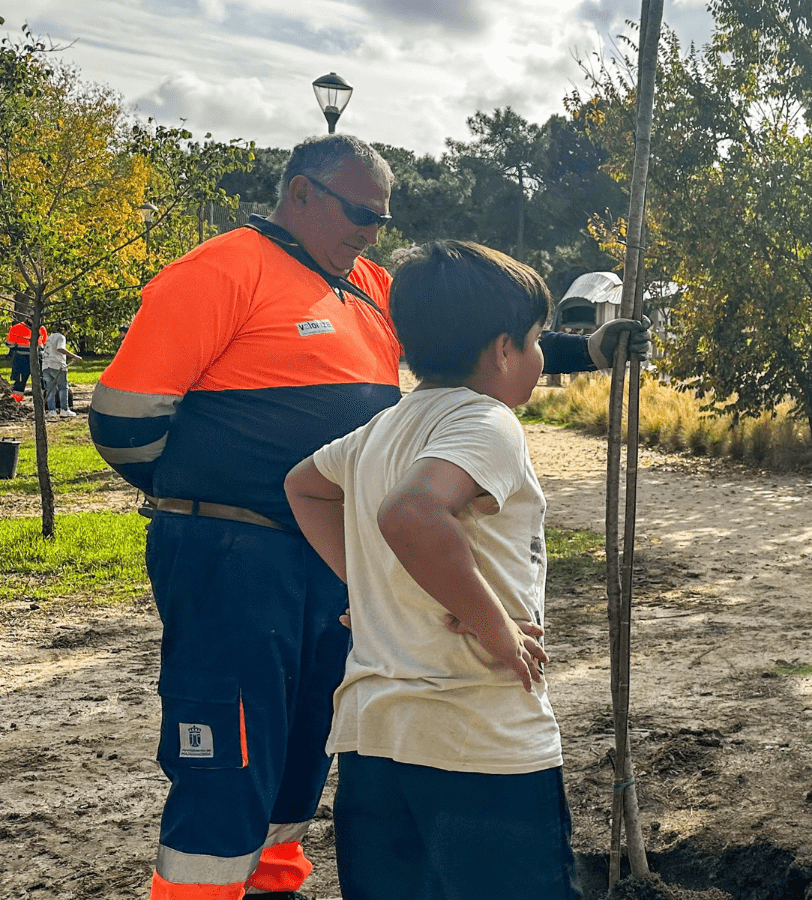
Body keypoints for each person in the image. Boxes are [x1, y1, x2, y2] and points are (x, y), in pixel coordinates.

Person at [89, 133, 648, 900]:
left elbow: (477, 338)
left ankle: (271, 886)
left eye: (383, 219)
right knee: (230, 750)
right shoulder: (222, 269)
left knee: (301, 756)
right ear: (301, 193)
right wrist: (202, 496)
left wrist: (589, 348)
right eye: (360, 212)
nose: (372, 231)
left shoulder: (369, 286)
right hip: (235, 552)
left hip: (325, 545)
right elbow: (123, 422)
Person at [286, 241, 603, 899]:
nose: (543, 357)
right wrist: (498, 628)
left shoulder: (380, 429)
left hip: (373, 744)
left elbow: (303, 487)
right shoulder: (488, 422)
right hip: (477, 737)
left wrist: (364, 585)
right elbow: (412, 514)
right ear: (502, 351)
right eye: (539, 340)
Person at [40, 328, 81, 416]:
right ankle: (64, 409)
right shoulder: (61, 337)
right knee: (63, 388)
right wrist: (74, 356)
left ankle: (52, 411)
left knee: (50, 389)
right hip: (57, 365)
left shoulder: (49, 337)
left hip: (45, 366)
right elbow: (60, 348)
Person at [8, 319, 46, 395]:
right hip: (25, 358)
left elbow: (10, 344)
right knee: (38, 380)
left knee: (22, 381)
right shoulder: (41, 328)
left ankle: (41, 402)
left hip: (26, 358)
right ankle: (16, 402)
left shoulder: (41, 328)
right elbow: (44, 343)